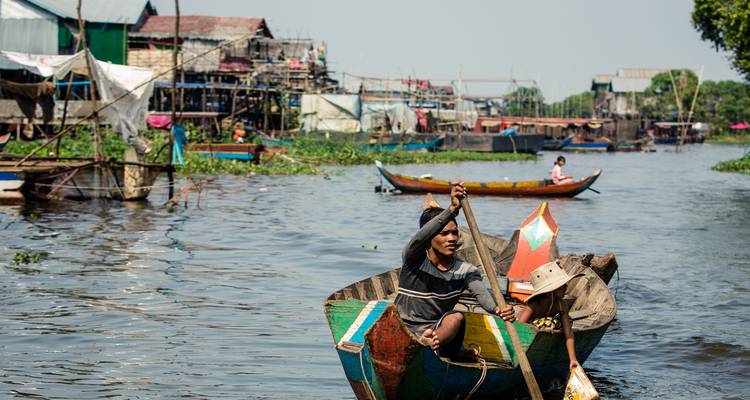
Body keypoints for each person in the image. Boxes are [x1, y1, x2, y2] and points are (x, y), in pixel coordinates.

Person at [395, 183, 515, 360]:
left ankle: (428, 345)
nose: (451, 239)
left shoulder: (466, 270)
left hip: (437, 332)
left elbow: (485, 299)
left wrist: (499, 309)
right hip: (401, 327)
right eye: (444, 234)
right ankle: (426, 345)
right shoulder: (414, 258)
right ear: (430, 237)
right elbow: (419, 238)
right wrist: (451, 209)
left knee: (456, 318)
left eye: (454, 233)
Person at [517, 261, 583, 371]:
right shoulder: (534, 304)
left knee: (561, 322)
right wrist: (539, 329)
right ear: (551, 290)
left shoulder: (562, 304)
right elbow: (518, 327)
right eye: (562, 285)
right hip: (529, 341)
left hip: (544, 336)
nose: (566, 287)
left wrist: (573, 359)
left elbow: (569, 333)